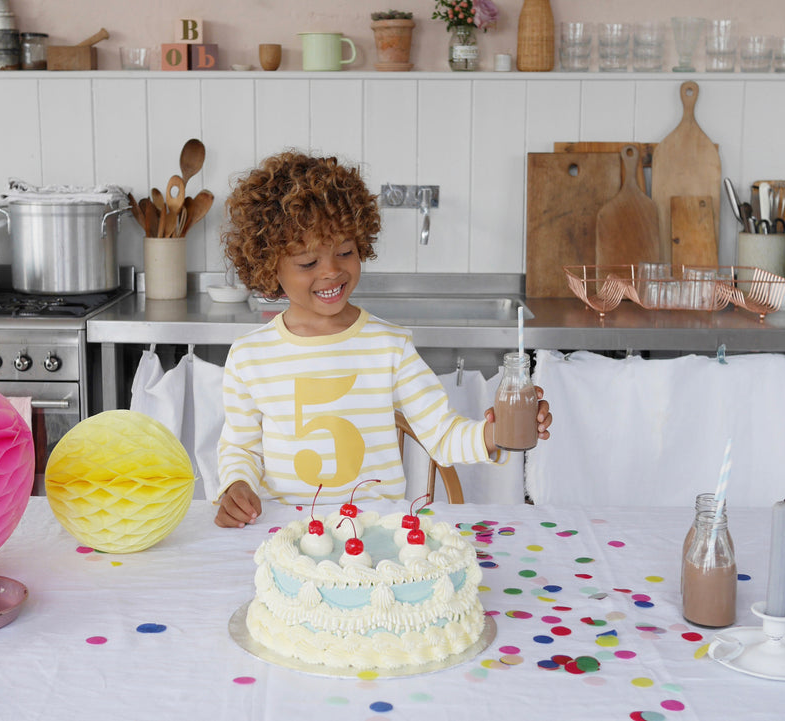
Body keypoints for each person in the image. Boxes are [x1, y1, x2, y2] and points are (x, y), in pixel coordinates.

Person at [215, 151, 551, 528]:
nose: (332, 271)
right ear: (268, 265)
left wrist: (497, 433)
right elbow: (240, 447)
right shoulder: (250, 357)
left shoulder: (390, 347)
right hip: (286, 535)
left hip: (377, 535)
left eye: (345, 252)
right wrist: (236, 484)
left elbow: (442, 433)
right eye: (308, 262)